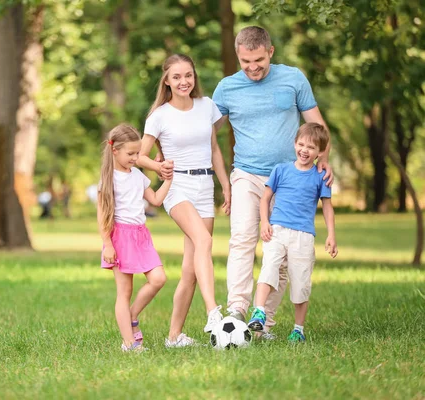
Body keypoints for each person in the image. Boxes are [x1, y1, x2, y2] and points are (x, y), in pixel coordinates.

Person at [212, 26, 333, 338]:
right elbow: (205, 132)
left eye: (259, 60)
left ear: (271, 52)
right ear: (238, 57)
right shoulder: (227, 88)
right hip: (246, 174)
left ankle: (263, 321)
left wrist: (324, 159)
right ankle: (236, 309)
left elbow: (317, 124)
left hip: (287, 179)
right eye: (245, 61)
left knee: (279, 251)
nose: (252, 67)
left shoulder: (293, 78)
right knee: (241, 238)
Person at [137, 54, 231, 348]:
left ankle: (174, 336)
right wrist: (158, 167)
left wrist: (225, 186)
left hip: (205, 186)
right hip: (177, 186)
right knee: (204, 241)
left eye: (188, 75)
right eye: (176, 77)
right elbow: (139, 156)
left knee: (191, 270)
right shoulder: (159, 115)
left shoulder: (207, 107)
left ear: (194, 76)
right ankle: (213, 312)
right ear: (166, 80)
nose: (183, 82)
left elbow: (214, 148)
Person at [247, 123, 338, 342]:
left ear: (319, 152)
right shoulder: (281, 169)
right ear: (294, 143)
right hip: (277, 230)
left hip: (303, 236)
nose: (305, 150)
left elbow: (327, 206)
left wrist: (331, 235)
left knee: (300, 282)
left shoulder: (320, 177)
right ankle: (258, 311)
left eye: (311, 147)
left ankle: (298, 329)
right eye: (301, 144)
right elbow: (266, 198)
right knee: (269, 267)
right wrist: (264, 223)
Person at [97, 123, 172, 352]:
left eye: (137, 153)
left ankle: (131, 315)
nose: (135, 157)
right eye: (130, 153)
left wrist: (168, 178)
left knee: (158, 278)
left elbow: (156, 200)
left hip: (141, 236)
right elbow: (102, 217)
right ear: (115, 151)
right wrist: (108, 245)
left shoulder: (138, 176)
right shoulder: (109, 179)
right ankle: (129, 343)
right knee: (125, 291)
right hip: (120, 237)